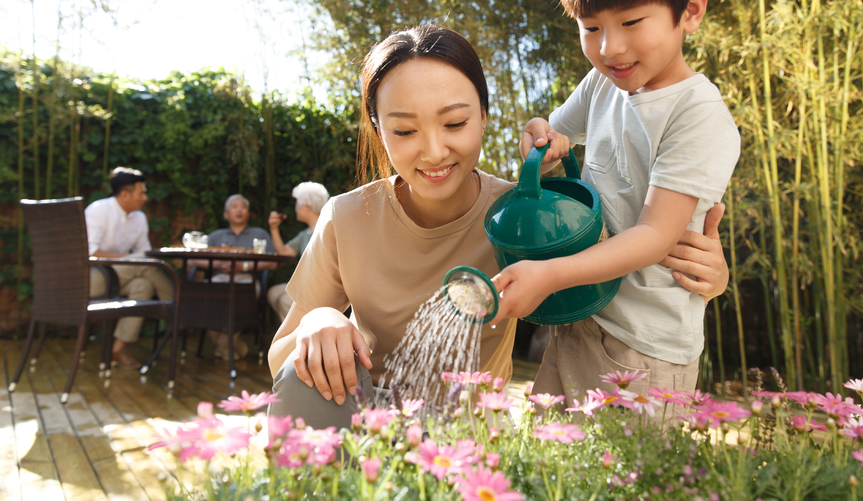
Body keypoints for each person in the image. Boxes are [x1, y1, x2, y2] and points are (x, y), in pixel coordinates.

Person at [267, 24, 730, 430]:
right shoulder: (347, 217)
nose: (433, 151)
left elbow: (613, 268)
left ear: (484, 117)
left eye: (455, 123)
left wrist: (706, 278)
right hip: (361, 419)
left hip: (461, 440)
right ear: (377, 129)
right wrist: (319, 320)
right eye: (405, 131)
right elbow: (280, 359)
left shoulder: (519, 218)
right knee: (302, 378)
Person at [490, 0, 741, 408]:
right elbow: (550, 136)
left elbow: (653, 236)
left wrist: (549, 274)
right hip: (581, 315)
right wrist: (540, 139)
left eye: (630, 22)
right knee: (552, 454)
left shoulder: (696, 113)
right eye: (590, 27)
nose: (609, 48)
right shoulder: (601, 85)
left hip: (644, 349)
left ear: (691, 11)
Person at [85, 167, 174, 369]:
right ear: (124, 194)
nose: (145, 198)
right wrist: (130, 258)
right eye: (141, 193)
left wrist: (134, 259)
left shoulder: (139, 218)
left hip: (119, 278)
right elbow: (90, 252)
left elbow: (145, 254)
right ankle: (177, 304)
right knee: (141, 263)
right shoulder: (99, 210)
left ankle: (119, 348)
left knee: (142, 285)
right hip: (91, 277)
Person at [193, 194, 277, 359]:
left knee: (239, 295)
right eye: (234, 206)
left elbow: (272, 263)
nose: (239, 210)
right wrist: (218, 264)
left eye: (243, 207)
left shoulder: (259, 234)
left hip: (247, 280)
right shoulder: (215, 236)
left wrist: (243, 266)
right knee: (206, 294)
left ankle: (224, 345)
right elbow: (194, 259)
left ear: (248, 213)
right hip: (219, 279)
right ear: (226, 214)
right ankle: (232, 346)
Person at [265, 182, 330, 322]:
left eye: (297, 204)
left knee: (284, 300)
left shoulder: (327, 228)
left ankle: (299, 333)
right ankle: (296, 329)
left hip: (321, 287)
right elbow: (284, 253)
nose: (295, 208)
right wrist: (274, 228)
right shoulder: (305, 233)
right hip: (305, 285)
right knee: (273, 293)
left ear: (306, 206)